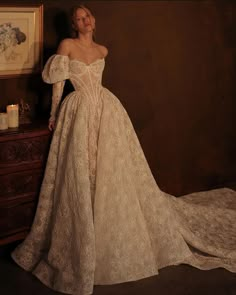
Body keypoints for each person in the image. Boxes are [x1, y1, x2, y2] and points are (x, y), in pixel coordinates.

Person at [11, 4, 236, 295]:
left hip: (107, 111)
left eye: (88, 15)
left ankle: (104, 227)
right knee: (83, 169)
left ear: (93, 20)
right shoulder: (67, 46)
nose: (85, 20)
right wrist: (53, 114)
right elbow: (59, 85)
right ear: (74, 25)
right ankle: (85, 229)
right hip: (78, 111)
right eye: (79, 18)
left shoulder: (103, 50)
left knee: (107, 169)